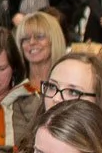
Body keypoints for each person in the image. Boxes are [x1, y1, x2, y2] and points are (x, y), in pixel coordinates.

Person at [11, 12, 65, 143]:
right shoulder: (15, 89)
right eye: (25, 38)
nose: (32, 42)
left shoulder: (68, 86)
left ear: (54, 40)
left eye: (40, 37)